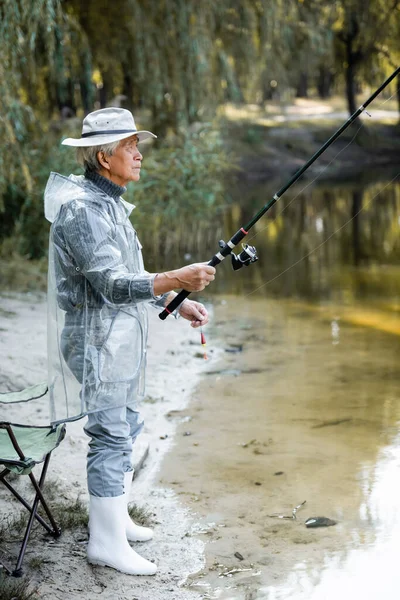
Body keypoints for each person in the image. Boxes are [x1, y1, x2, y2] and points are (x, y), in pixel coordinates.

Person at [44, 107, 216, 576]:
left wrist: (177, 301)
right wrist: (176, 276)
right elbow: (111, 284)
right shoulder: (82, 209)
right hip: (96, 338)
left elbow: (127, 272)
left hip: (119, 336)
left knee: (128, 423)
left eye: (137, 145)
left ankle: (116, 519)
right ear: (103, 156)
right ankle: (104, 542)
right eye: (129, 146)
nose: (139, 155)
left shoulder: (110, 200)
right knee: (111, 434)